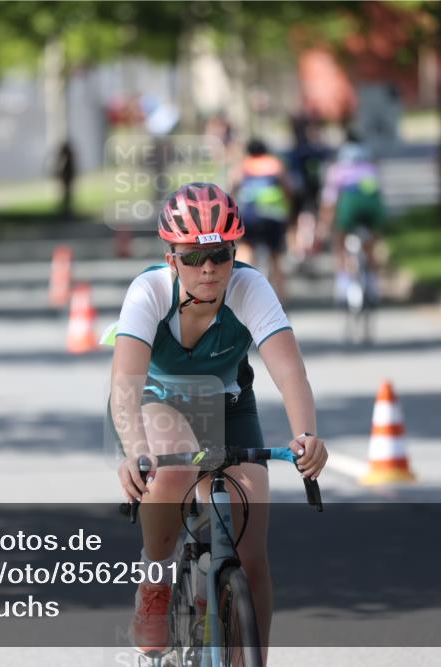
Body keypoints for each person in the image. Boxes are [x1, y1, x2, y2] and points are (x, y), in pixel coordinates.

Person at [109, 182, 327, 661]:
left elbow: (289, 369)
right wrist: (133, 450)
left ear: (234, 253)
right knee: (175, 470)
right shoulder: (148, 292)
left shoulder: (250, 287)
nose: (208, 269)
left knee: (251, 554)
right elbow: (125, 382)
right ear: (171, 258)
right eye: (192, 258)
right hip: (157, 401)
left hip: (228, 404)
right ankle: (156, 580)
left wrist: (307, 434)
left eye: (221, 255)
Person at [319, 140, 385, 303]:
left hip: (351, 206)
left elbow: (329, 201)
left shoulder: (337, 171)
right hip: (373, 207)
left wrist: (326, 223)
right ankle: (374, 284)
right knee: (371, 245)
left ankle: (343, 281)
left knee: (339, 241)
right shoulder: (371, 169)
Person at [231, 139, 293, 301]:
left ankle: (237, 292)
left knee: (246, 248)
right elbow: (288, 188)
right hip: (274, 215)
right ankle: (281, 299)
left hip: (250, 215)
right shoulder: (275, 164)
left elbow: (233, 188)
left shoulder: (244, 165)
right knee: (276, 256)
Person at [284, 115, 330, 264]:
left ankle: (297, 248)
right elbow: (325, 155)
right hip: (311, 186)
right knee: (311, 215)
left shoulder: (292, 151)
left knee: (295, 218)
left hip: (298, 188)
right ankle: (309, 246)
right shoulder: (312, 148)